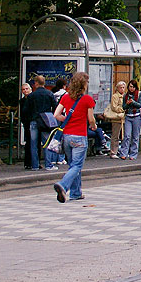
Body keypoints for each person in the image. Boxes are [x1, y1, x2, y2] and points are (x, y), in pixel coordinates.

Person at [52, 71, 97, 203]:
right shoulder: (87, 99)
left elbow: (56, 114)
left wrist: (65, 119)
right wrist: (93, 126)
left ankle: (76, 193)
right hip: (80, 136)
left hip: (66, 136)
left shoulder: (65, 97)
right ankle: (63, 185)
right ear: (84, 85)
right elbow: (90, 118)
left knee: (72, 165)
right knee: (77, 165)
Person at [26, 75, 59, 170]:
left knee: (33, 144)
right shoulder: (49, 94)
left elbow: (26, 109)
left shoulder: (32, 95)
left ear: (36, 83)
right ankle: (48, 164)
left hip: (34, 120)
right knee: (47, 143)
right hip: (46, 120)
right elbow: (55, 106)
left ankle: (35, 165)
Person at [119, 79, 141, 160]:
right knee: (127, 135)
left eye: (133, 87)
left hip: (137, 116)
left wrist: (133, 102)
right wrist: (127, 104)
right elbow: (123, 107)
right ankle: (124, 153)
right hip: (128, 116)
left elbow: (140, 105)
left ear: (136, 87)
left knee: (135, 136)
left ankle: (133, 154)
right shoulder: (126, 95)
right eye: (130, 87)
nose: (131, 89)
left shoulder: (139, 94)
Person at [108, 81, 126, 158]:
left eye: (123, 87)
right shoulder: (115, 96)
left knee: (124, 135)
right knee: (115, 135)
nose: (122, 89)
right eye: (120, 87)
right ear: (117, 88)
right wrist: (123, 109)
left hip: (124, 118)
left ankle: (122, 151)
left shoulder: (125, 96)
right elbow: (114, 107)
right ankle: (113, 152)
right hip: (117, 118)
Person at [19, 83, 34, 170]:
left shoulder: (33, 99)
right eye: (23, 89)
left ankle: (33, 162)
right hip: (26, 123)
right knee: (28, 142)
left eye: (26, 89)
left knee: (34, 142)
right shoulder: (22, 101)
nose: (25, 91)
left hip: (33, 122)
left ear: (30, 89)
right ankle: (28, 162)